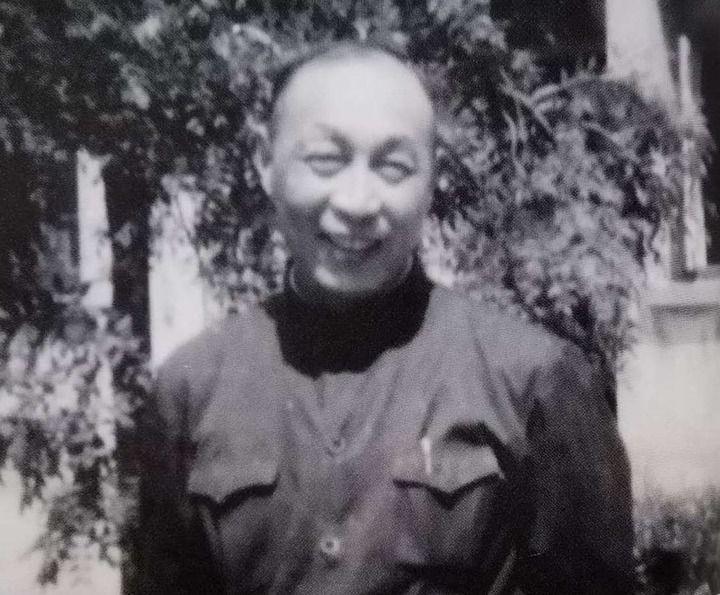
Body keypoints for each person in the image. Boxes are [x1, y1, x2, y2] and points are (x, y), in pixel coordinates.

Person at [134, 42, 634, 595]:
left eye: (393, 166)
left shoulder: (533, 381)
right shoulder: (192, 390)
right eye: (325, 161)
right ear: (265, 162)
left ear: (431, 179)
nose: (357, 202)